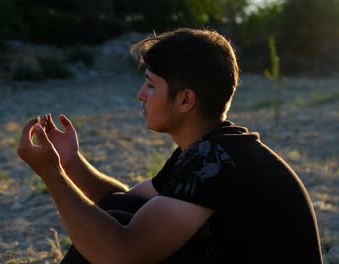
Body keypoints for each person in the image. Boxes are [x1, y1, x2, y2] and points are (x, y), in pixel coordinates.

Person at [17, 28, 323, 263]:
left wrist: (52, 176)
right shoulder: (211, 151)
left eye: (151, 85)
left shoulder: (216, 159)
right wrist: (70, 162)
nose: (140, 94)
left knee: (113, 237)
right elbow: (122, 200)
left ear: (185, 100)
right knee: (118, 212)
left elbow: (124, 254)